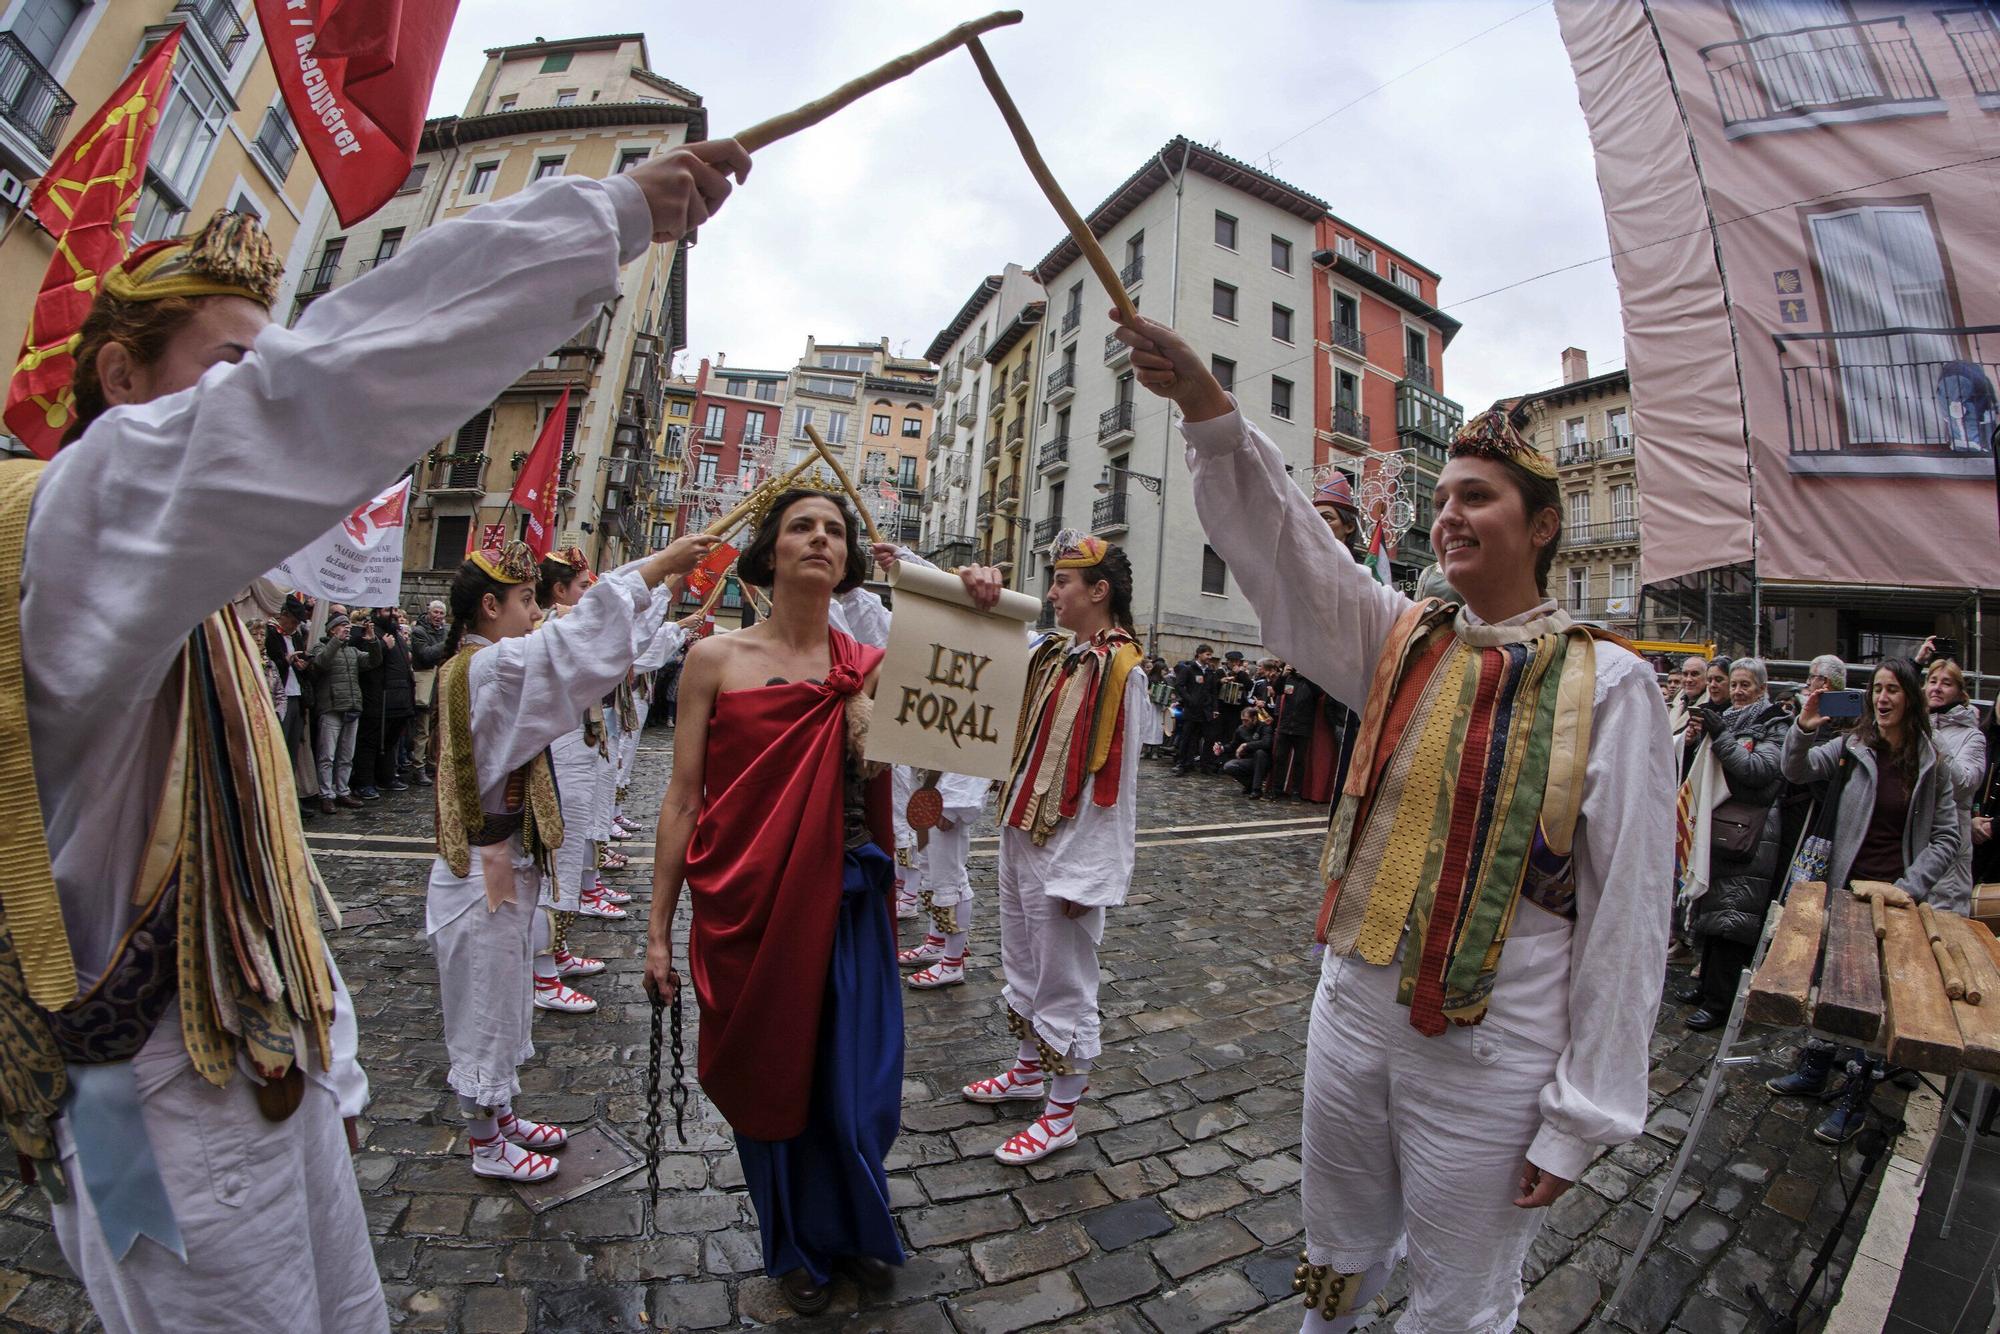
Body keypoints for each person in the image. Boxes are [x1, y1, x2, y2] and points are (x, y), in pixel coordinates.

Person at [0, 138, 744, 1334]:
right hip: (134, 1097)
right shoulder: (62, 535)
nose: (262, 384)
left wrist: (334, 1057)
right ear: (122, 380)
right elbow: (321, 392)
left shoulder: (198, 608)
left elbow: (262, 875)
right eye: (229, 366)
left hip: (258, 1059)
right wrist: (600, 218)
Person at [1114, 312, 1671, 1332]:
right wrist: (1205, 408)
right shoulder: (1400, 634)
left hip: (1489, 1047)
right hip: (1349, 1011)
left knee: (1460, 1290)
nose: (1450, 516)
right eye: (1444, 497)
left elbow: (1631, 911)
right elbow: (1293, 556)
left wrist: (1581, 1112)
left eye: (1479, 497)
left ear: (1541, 524)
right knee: (1333, 1244)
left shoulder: (1614, 686)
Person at [646, 488, 903, 1316]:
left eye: (835, 530)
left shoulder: (871, 667)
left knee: (855, 1083)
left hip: (850, 902)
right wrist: (657, 933)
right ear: (769, 552)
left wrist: (972, 598)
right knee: (775, 1077)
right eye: (802, 526)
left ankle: (857, 1224)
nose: (821, 538)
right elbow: (683, 799)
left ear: (847, 560)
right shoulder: (714, 660)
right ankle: (795, 1243)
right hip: (751, 907)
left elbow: (961, 724)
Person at [428, 537, 708, 1181]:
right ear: (490, 607)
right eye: (526, 600)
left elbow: (582, 643)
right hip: (481, 871)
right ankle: (486, 1142)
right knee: (483, 1003)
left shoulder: (481, 665)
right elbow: (573, 644)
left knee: (502, 995)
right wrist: (659, 567)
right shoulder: (489, 670)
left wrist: (656, 576)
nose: (536, 612)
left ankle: (498, 1115)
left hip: (498, 863)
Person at [958, 533, 1151, 1168]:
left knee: (1064, 980)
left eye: (1063, 582)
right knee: (1021, 961)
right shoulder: (1058, 654)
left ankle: (1062, 1112)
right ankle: (1026, 1071)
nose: (1051, 592)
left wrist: (1086, 876)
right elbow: (989, 636)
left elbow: (1113, 790)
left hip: (1066, 850)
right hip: (1023, 832)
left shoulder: (1122, 671)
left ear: (1099, 591)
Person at [1766, 658, 1962, 1142]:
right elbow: (1794, 769)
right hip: (1842, 887)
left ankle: (1855, 1095)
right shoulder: (1855, 744)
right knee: (1832, 979)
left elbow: (1947, 836)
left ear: (1910, 697)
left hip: (1892, 900)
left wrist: (1909, 886)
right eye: (1876, 689)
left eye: (1893, 689)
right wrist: (1804, 728)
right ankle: (1814, 1071)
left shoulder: (1932, 759)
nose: (1882, 698)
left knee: (1874, 994)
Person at [530, 548, 619, 1016]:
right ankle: (543, 975)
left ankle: (557, 953)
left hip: (577, 750)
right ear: (560, 590)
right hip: (560, 755)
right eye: (583, 586)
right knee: (554, 865)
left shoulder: (565, 629)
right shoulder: (553, 633)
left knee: (567, 856)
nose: (589, 593)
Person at [1678, 658, 1789, 1030]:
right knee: (1712, 914)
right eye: (1735, 685)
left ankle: (1720, 1003)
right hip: (1724, 829)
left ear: (1761, 688)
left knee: (1732, 919)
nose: (1738, 692)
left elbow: (1759, 771)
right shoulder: (1732, 719)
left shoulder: (1775, 723)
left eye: (1745, 685)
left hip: (1752, 837)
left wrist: (1720, 736)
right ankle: (1708, 985)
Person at [1924, 658, 1987, 914]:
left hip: (1950, 842)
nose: (1937, 688)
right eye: (1932, 681)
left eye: (1946, 683)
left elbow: (1963, 785)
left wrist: (1934, 738)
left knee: (1945, 923)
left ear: (1960, 694)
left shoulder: (1973, 736)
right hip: (1914, 840)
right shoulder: (1914, 728)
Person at [314, 611, 380, 811]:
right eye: (343, 626)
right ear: (332, 629)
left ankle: (343, 790)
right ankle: (326, 794)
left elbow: (373, 661)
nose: (348, 629)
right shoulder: (321, 646)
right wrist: (335, 641)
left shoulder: (352, 651)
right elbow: (321, 662)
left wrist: (373, 641)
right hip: (332, 708)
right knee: (327, 756)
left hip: (351, 708)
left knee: (346, 756)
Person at [410, 598, 451, 785]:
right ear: (429, 613)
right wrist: (447, 643)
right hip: (426, 683)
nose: (439, 617)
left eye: (441, 613)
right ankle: (418, 766)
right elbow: (426, 655)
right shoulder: (419, 631)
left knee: (438, 727)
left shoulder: (446, 631)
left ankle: (432, 762)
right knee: (423, 728)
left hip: (441, 682)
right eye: (435, 613)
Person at [1267, 664, 1322, 800]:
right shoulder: (1289, 678)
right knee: (1280, 758)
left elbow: (1319, 693)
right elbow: (1277, 689)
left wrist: (1307, 677)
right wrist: (1283, 675)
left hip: (1302, 728)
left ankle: (1296, 791)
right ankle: (1276, 789)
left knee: (1299, 761)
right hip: (1285, 726)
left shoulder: (1312, 681)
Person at [1173, 644, 1220, 774]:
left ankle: (1205, 764)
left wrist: (1215, 708)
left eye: (1210, 655)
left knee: (1209, 738)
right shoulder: (1189, 669)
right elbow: (1179, 686)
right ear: (1199, 654)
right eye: (1207, 654)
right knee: (1187, 737)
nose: (1209, 657)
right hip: (1192, 710)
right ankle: (1183, 763)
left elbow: (1213, 691)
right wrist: (1189, 699)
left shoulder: (1210, 671)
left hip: (1206, 710)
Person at [1222, 705, 1275, 797]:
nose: (1244, 722)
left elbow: (1267, 743)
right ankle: (1250, 784)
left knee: (1260, 753)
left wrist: (1246, 745)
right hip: (1249, 761)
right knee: (1229, 766)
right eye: (1242, 720)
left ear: (1254, 718)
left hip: (1264, 761)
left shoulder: (1264, 726)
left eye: (1246, 720)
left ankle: (1256, 789)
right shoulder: (1241, 729)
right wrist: (1222, 748)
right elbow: (1233, 745)